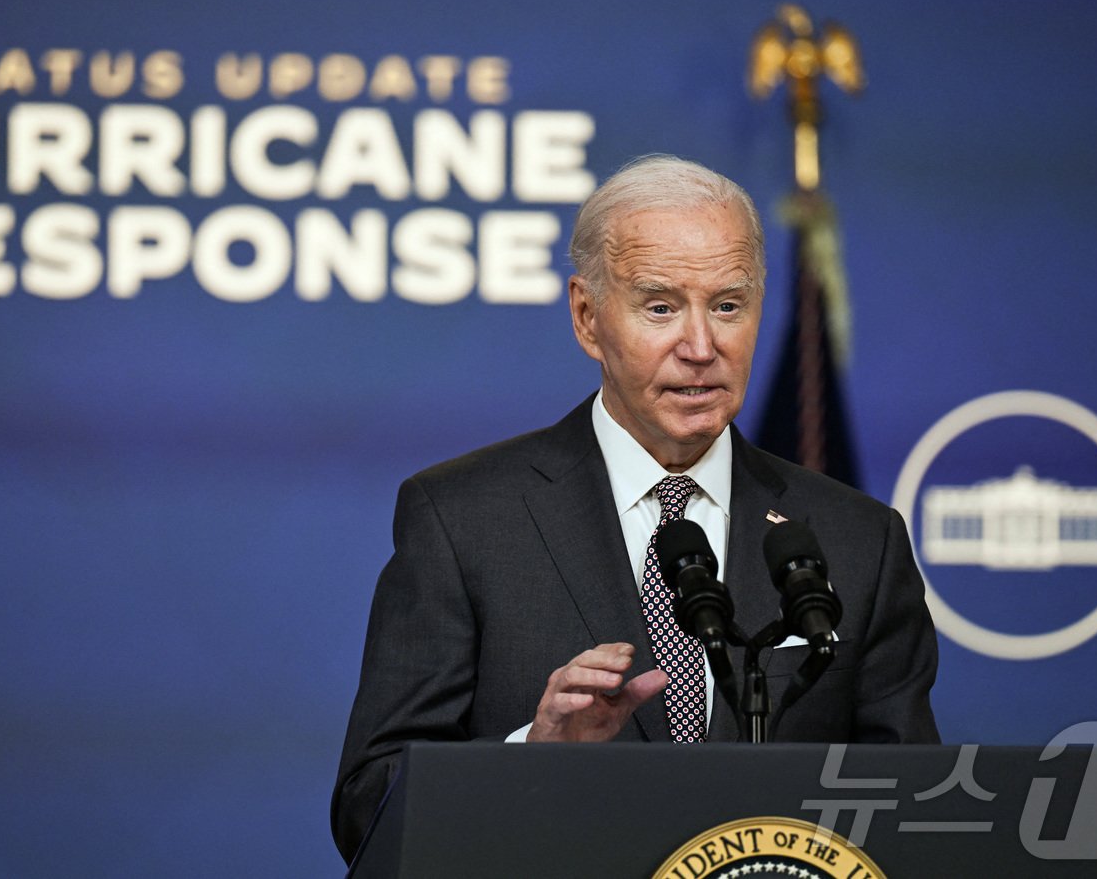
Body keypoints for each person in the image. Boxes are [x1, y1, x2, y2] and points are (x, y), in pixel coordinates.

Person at [331, 154, 939, 863]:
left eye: (728, 305)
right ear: (588, 318)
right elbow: (368, 809)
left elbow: (906, 816)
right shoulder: (463, 520)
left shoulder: (858, 541)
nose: (701, 347)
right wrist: (532, 755)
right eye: (660, 307)